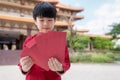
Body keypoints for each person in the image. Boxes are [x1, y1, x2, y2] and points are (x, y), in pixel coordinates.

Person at [18, 2, 70, 80]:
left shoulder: (60, 42)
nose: (46, 24)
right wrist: (24, 68)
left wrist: (60, 68)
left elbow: (66, 62)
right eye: (41, 20)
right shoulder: (29, 40)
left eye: (50, 20)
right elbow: (22, 63)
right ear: (35, 21)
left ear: (54, 21)